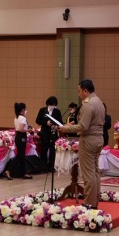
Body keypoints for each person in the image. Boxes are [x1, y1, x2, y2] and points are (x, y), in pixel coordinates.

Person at [60, 79, 105, 208]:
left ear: (86, 91)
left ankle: (89, 203)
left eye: (79, 91)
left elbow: (83, 126)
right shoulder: (99, 102)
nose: (78, 94)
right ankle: (94, 200)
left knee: (88, 174)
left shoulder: (88, 104)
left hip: (88, 140)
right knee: (95, 172)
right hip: (99, 139)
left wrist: (65, 128)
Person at [5, 102, 33, 180]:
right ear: (23, 110)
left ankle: (23, 173)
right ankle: (8, 170)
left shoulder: (16, 118)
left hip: (18, 137)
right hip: (22, 136)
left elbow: (16, 129)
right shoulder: (23, 118)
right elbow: (21, 129)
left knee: (22, 155)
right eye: (25, 109)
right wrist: (29, 130)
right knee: (20, 155)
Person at [35, 96, 61, 173]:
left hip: (53, 133)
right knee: (44, 150)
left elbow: (60, 122)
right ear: (48, 104)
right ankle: (44, 167)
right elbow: (38, 120)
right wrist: (46, 123)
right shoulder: (42, 110)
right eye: (52, 105)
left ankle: (51, 167)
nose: (53, 106)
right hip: (45, 133)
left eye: (54, 105)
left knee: (53, 151)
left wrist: (56, 126)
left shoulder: (57, 111)